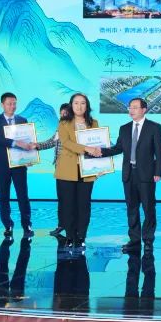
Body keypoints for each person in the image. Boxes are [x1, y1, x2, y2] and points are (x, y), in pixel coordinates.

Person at [102, 97, 161, 253]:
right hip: (129, 174)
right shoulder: (124, 128)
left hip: (147, 174)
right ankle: (134, 240)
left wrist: (158, 172)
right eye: (130, 107)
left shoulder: (154, 127)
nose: (131, 110)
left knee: (149, 208)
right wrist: (99, 151)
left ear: (144, 109)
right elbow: (117, 148)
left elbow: (159, 152)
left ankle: (148, 240)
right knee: (132, 208)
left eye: (135, 107)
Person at [53, 93, 104, 254]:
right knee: (67, 205)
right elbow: (66, 143)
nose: (79, 106)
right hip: (66, 169)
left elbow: (99, 145)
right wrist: (86, 148)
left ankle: (81, 237)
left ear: (87, 106)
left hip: (87, 170)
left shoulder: (94, 123)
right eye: (76, 103)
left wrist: (101, 166)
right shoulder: (64, 123)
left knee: (84, 205)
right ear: (71, 105)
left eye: (83, 103)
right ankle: (69, 237)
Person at [0, 92, 37, 240]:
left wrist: (30, 157)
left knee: (23, 195)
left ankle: (27, 225)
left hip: (19, 164)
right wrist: (16, 143)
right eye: (9, 103)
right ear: (2, 105)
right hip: (1, 163)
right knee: (4, 196)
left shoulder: (22, 120)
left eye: (14, 103)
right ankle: (7, 225)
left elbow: (28, 142)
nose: (12, 106)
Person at [34, 103, 70, 236]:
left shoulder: (75, 128)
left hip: (71, 168)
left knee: (70, 199)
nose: (63, 116)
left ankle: (72, 228)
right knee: (61, 199)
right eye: (61, 114)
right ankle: (61, 225)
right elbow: (51, 142)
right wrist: (36, 146)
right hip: (59, 168)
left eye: (66, 113)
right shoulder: (60, 128)